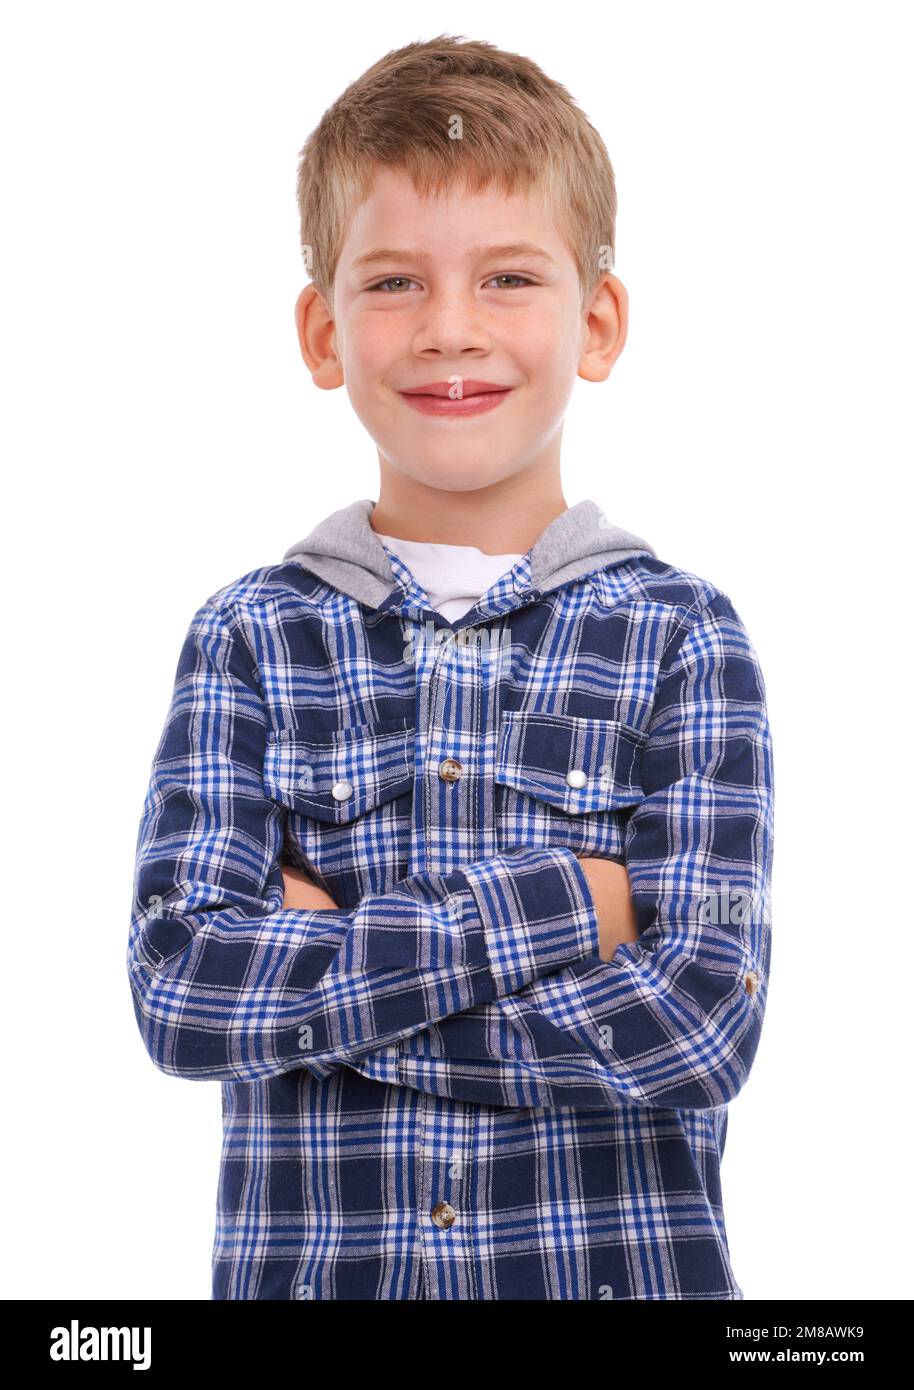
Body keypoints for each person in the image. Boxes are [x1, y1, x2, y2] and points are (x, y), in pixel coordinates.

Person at [127, 34, 774, 1301]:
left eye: (508, 277)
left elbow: (699, 1023)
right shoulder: (250, 637)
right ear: (322, 332)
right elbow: (184, 991)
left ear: (595, 322)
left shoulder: (683, 637)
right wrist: (566, 910)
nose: (449, 330)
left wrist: (329, 1006)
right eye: (391, 284)